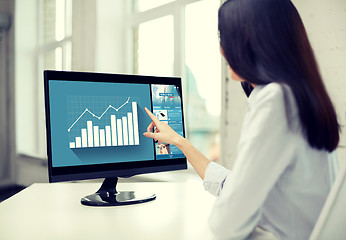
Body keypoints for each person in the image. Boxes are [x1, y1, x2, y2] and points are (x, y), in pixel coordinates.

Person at [143, 0, 340, 239]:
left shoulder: (276, 101)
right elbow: (237, 185)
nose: (221, 49)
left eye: (223, 36)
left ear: (248, 38)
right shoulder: (300, 94)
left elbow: (227, 224)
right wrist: (179, 141)